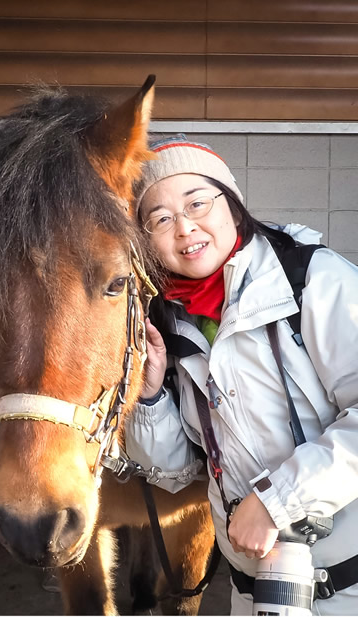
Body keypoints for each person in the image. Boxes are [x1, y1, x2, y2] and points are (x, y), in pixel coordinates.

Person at [125, 135, 358, 615]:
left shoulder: (314, 281)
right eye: (161, 218)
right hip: (255, 591)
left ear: (232, 205)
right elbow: (177, 471)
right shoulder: (168, 321)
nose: (185, 227)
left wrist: (276, 502)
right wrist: (150, 399)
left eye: (197, 203)